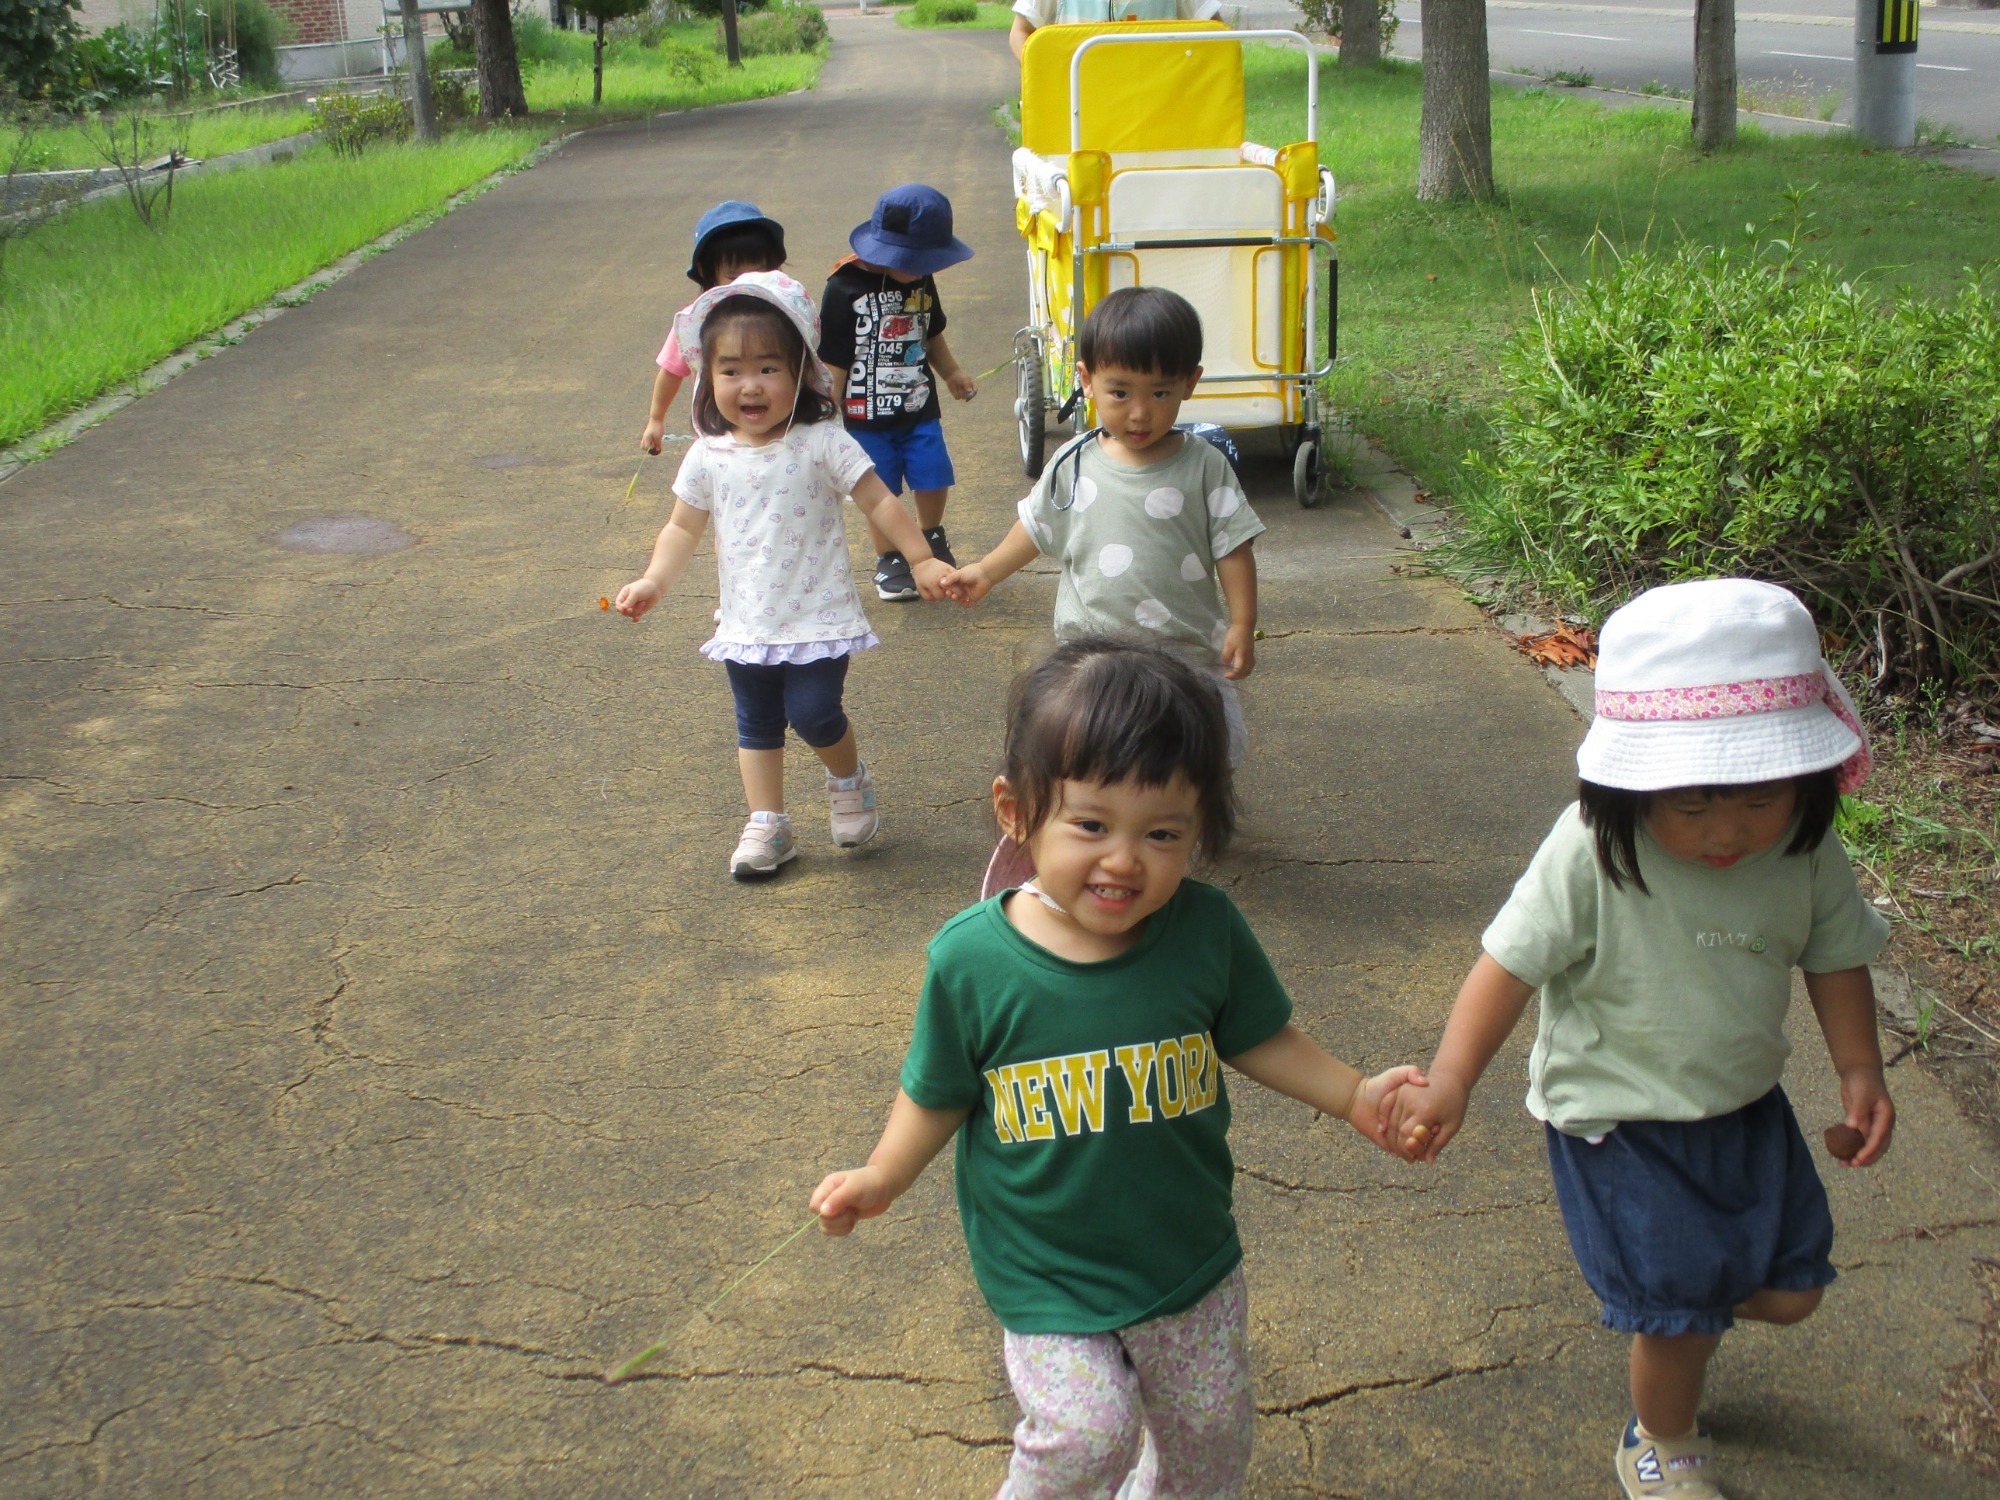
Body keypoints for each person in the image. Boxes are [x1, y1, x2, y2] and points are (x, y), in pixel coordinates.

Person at [810, 638, 1419, 1499]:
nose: (1125, 859)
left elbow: (1259, 1035)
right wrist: (884, 1173)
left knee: (1210, 1434)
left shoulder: (1205, 932)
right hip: (1047, 1267)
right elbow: (937, 1090)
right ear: (1015, 811)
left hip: (1184, 1256)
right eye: (1091, 824)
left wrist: (1352, 1094)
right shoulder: (972, 961)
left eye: (1162, 833)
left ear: (1199, 827)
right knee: (1084, 1435)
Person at [1387, 578, 1894, 1500]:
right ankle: (1660, 1439)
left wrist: (1860, 1068)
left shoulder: (1807, 851)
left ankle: (1684, 1300)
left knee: (1794, 1291)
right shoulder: (1589, 849)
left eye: (1759, 795)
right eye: (1692, 804)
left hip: (1742, 1105)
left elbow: (1836, 958)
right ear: (1629, 783)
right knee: (1676, 1321)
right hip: (1617, 1116)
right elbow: (1507, 965)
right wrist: (1453, 1080)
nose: (1729, 829)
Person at [614, 272, 949, 880]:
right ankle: (767, 823)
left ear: (801, 373)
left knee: (816, 713)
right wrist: (653, 582)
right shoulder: (707, 455)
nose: (750, 385)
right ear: (707, 378)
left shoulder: (822, 442)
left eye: (768, 368)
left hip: (818, 615)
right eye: (731, 370)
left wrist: (920, 556)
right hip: (747, 622)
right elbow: (682, 530)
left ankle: (848, 777)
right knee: (757, 723)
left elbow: (878, 500)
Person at [942, 286, 1261, 893]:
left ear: (1190, 383)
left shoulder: (1203, 466)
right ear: (1086, 380)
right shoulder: (1073, 463)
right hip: (1093, 654)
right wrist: (985, 571)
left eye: (1160, 393)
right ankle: (1089, 829)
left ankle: (1180, 821)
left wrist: (1242, 622)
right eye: (1120, 393)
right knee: (1095, 744)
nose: (1139, 413)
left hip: (1184, 649)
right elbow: (1034, 530)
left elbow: (1234, 548)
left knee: (1203, 743)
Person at [818, 183, 978, 602]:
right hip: (864, 414)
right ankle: (889, 557)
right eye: (916, 260)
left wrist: (952, 373)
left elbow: (932, 333)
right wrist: (824, 416)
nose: (925, 269)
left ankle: (931, 536)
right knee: (880, 487)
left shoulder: (921, 281)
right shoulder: (842, 288)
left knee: (933, 472)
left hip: (918, 405)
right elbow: (833, 356)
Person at [639, 201, 788, 456]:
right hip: (718, 433)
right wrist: (656, 418)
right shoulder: (696, 322)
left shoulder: (785, 313)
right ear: (706, 272)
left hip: (777, 431)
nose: (747, 282)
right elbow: (671, 372)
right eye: (733, 276)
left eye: (758, 272)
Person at [1009, 0, 1222, 63]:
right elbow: (1020, 32)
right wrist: (1047, 78)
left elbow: (1219, 36)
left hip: (1160, 107)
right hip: (1079, 106)